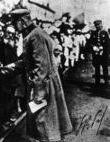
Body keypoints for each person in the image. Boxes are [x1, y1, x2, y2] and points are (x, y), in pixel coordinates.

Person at [6, 8, 73, 142]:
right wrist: (15, 65)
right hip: (43, 83)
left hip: (43, 85)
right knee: (42, 123)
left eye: (14, 22)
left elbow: (42, 67)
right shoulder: (34, 33)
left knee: (42, 122)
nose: (13, 25)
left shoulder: (35, 36)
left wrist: (39, 94)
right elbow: (31, 60)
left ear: (22, 21)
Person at [89, 20, 110, 85]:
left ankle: (106, 80)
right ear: (95, 26)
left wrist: (108, 53)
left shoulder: (105, 33)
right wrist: (93, 47)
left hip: (104, 53)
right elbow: (90, 42)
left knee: (105, 66)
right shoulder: (93, 33)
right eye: (97, 25)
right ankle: (97, 81)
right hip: (96, 53)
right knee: (97, 67)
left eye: (100, 25)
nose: (99, 26)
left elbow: (108, 43)